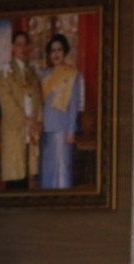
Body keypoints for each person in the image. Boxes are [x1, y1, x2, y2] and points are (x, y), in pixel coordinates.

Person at [0, 29, 42, 190]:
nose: (22, 48)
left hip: (31, 130)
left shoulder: (32, 72)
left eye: (25, 45)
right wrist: (24, 119)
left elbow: (39, 100)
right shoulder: (5, 72)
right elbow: (6, 101)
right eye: (18, 44)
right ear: (13, 47)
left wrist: (37, 122)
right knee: (15, 175)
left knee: (28, 172)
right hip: (15, 129)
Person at [39, 33, 84, 190]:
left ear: (64, 52)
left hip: (63, 130)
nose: (56, 54)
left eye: (59, 50)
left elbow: (74, 106)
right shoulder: (44, 75)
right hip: (46, 129)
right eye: (52, 50)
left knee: (62, 170)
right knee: (47, 170)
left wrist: (71, 132)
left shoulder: (72, 75)